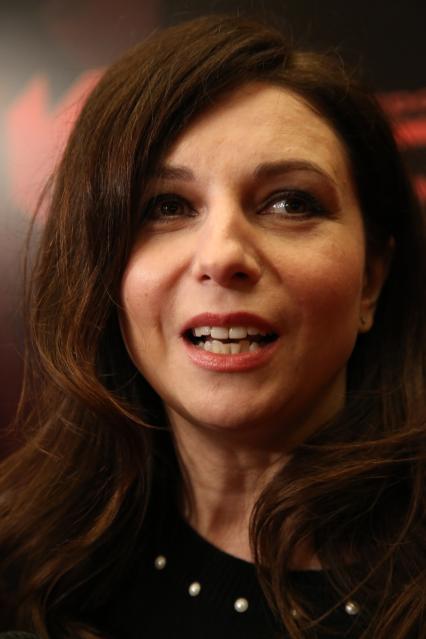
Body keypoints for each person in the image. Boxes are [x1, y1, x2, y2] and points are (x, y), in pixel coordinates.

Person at [0, 13, 424, 639]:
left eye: (291, 203)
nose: (223, 255)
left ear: (371, 280)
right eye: (166, 206)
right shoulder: (22, 561)